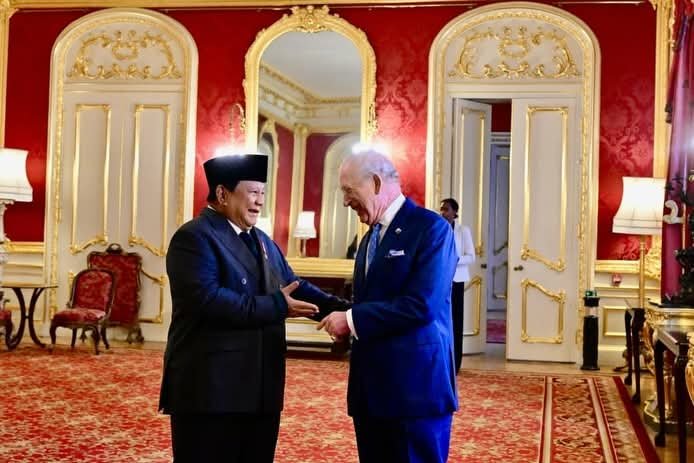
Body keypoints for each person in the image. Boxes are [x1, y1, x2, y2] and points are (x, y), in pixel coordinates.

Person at [159, 153, 348, 463]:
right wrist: (277, 305)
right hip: (211, 390)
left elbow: (293, 284)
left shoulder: (261, 239)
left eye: (263, 193)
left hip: (261, 388)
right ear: (222, 194)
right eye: (253, 192)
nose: (260, 201)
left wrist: (349, 311)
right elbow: (207, 300)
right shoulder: (193, 237)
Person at [317, 150, 458, 463]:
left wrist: (351, 320)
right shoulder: (369, 239)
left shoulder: (431, 229)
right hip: (371, 392)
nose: (345, 202)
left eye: (348, 191)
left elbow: (421, 305)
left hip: (415, 391)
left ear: (376, 183)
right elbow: (371, 304)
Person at [440, 197, 476, 374]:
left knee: (456, 320)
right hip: (441, 281)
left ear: (455, 212)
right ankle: (443, 361)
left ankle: (456, 362)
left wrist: (453, 260)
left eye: (446, 209)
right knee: (442, 321)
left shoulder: (463, 231)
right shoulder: (438, 229)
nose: (443, 212)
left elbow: (471, 256)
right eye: (441, 209)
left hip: (457, 281)